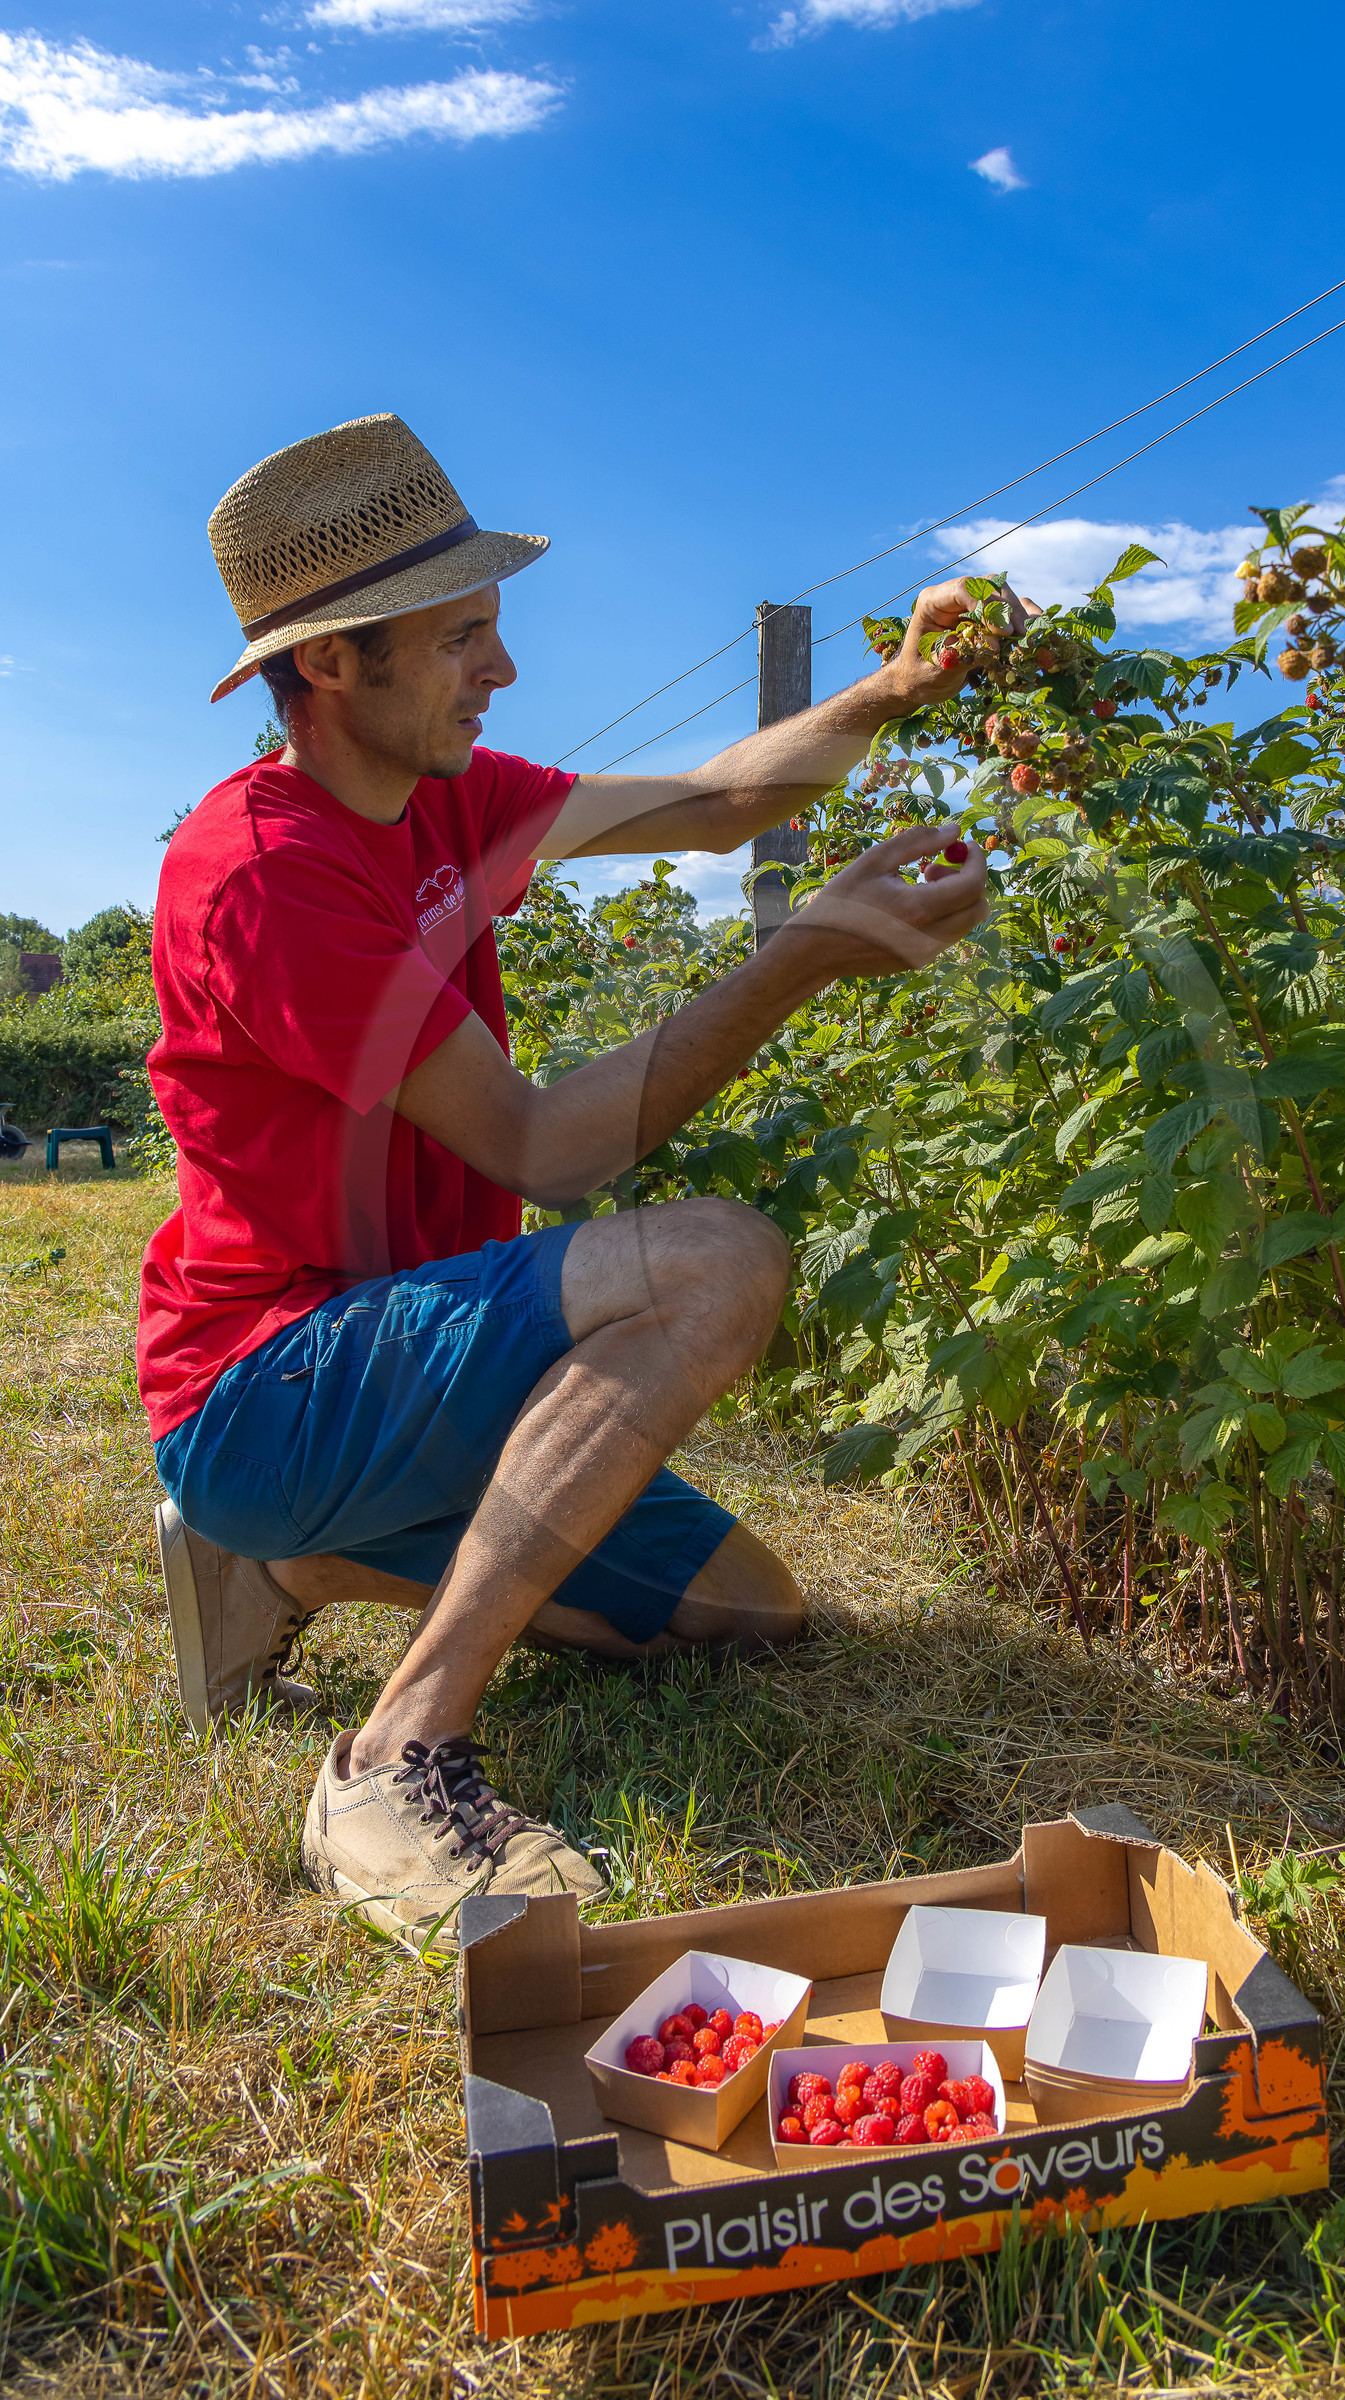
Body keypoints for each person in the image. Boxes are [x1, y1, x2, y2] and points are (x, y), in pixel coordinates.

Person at [144, 412, 1017, 1950]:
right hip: (272, 1377)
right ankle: (396, 1754)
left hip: (422, 1364)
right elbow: (551, 1152)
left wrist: (893, 688)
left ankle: (297, 1563)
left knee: (752, 1614)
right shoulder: (263, 879)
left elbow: (719, 800)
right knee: (714, 1262)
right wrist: (812, 952)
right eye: (464, 635)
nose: (505, 668)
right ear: (333, 663)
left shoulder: (450, 804)